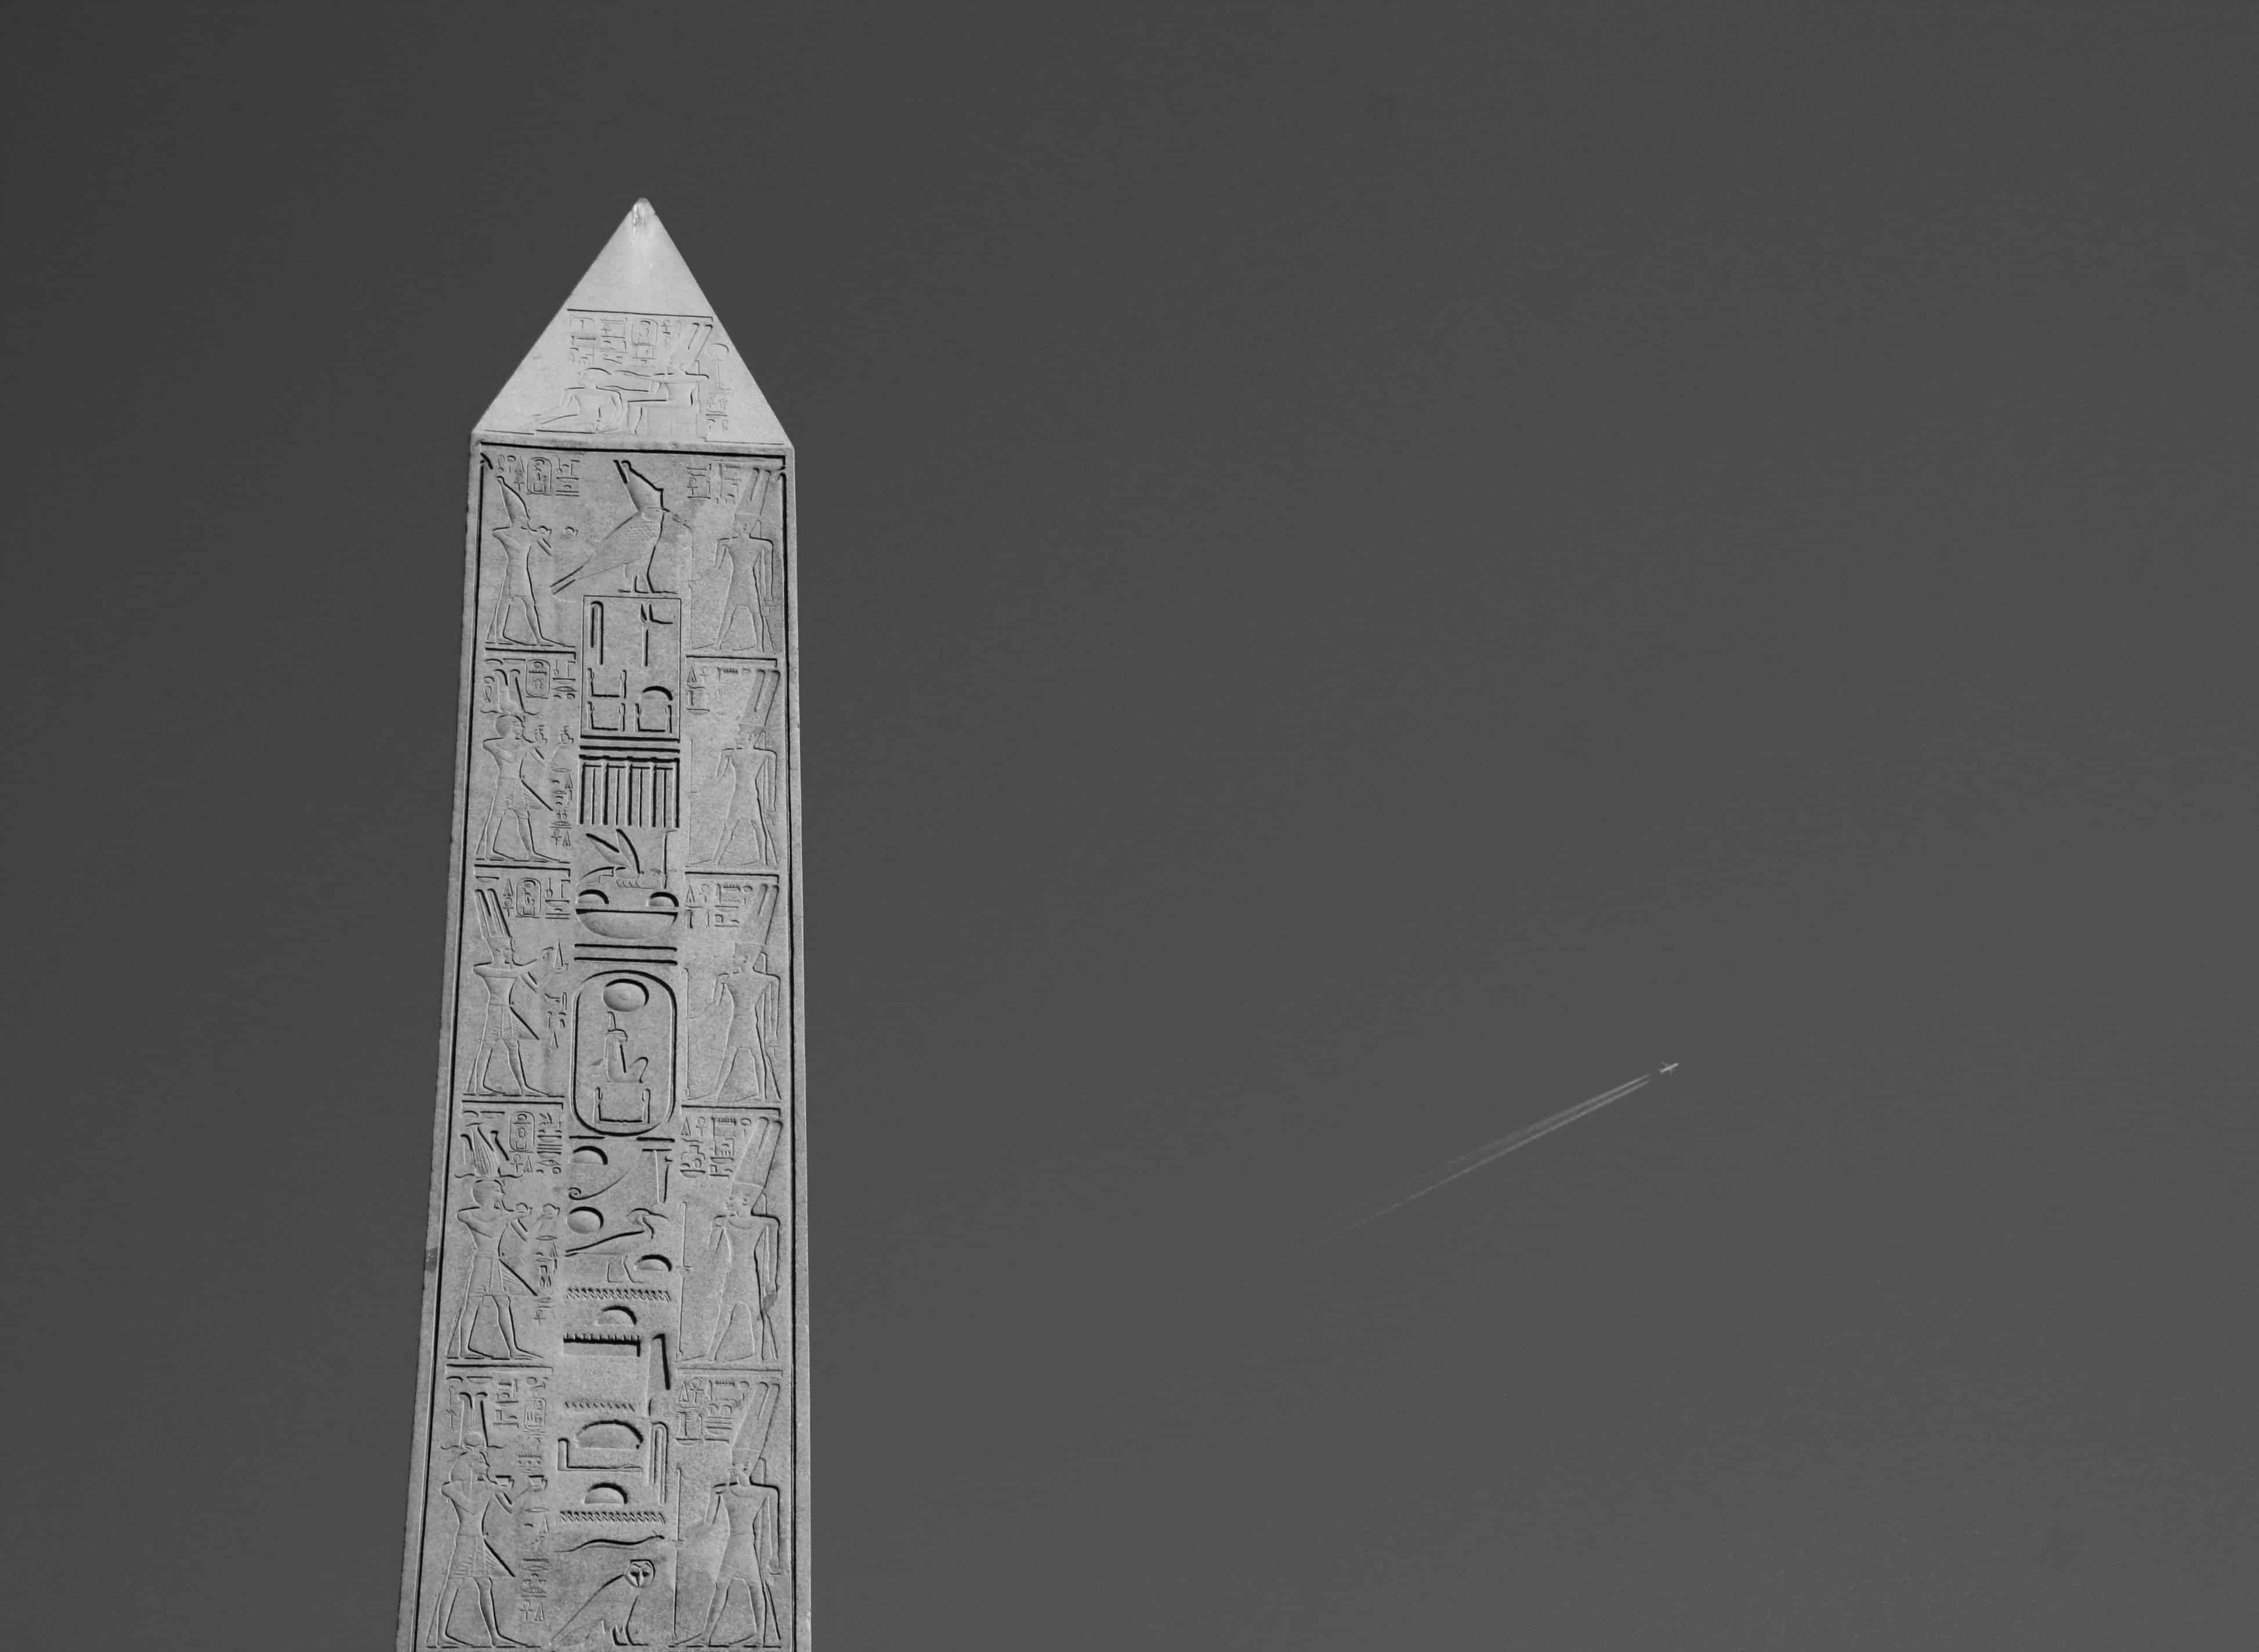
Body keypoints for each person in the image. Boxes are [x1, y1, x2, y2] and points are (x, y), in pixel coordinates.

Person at [426, 1451, 528, 1647]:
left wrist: (530, 1490)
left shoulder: (487, 1487)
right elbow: (471, 1507)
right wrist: (490, 1488)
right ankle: (440, 1636)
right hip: (466, 1541)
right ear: (471, 1464)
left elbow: (512, 1509)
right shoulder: (452, 1488)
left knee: (485, 1584)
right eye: (483, 1462)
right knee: (454, 1583)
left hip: (478, 1542)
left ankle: (495, 1637)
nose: (488, 1466)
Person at [679, 1461, 783, 1647]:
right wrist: (688, 1537)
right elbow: (708, 1524)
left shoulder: (767, 1493)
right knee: (725, 1587)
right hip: (734, 1545)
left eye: (735, 1464)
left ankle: (760, 1636)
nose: (730, 1468)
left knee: (754, 1587)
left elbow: (774, 1528)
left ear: (746, 1467)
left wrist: (775, 1554)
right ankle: (707, 1636)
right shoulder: (722, 1492)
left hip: (745, 1546)